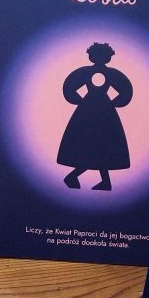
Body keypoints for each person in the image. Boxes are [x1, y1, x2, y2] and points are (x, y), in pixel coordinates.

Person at [58, 42, 133, 191]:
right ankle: (86, 179)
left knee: (101, 144)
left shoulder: (108, 74)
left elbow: (125, 91)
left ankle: (88, 179)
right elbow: (70, 87)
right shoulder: (87, 72)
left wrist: (113, 103)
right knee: (94, 144)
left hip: (99, 112)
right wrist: (81, 101)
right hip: (92, 112)